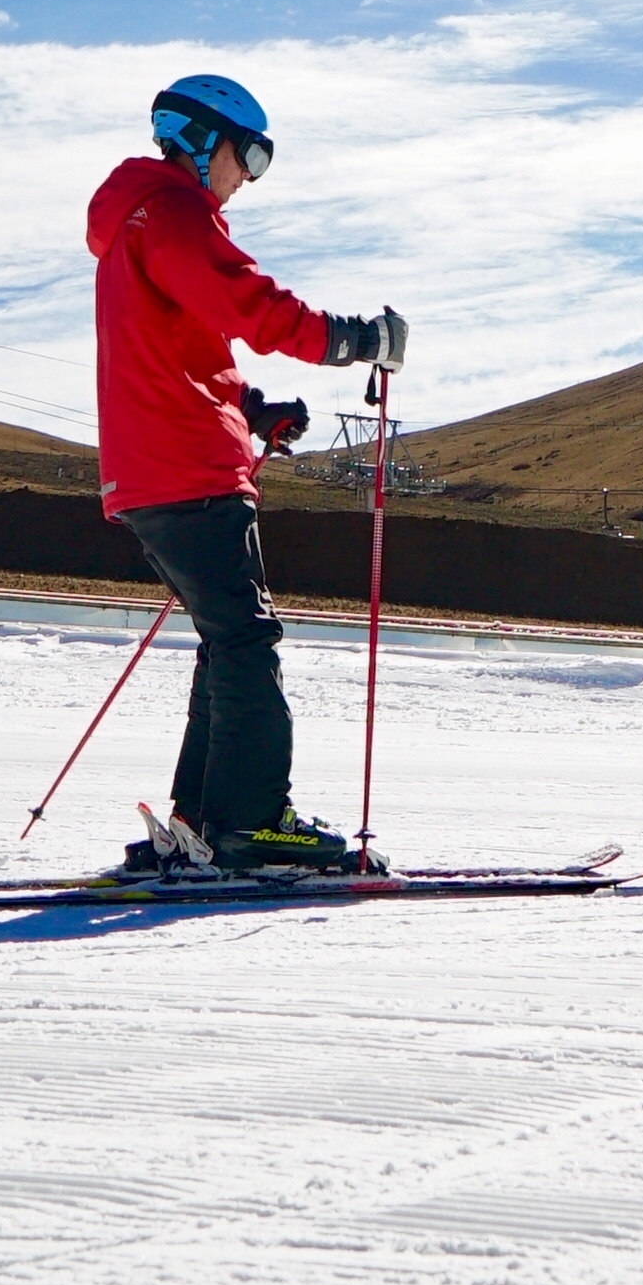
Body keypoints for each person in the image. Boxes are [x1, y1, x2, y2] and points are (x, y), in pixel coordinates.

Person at [87, 73, 406, 874]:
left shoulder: (139, 221)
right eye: (251, 156)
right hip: (187, 465)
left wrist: (253, 410)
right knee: (247, 641)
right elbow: (252, 306)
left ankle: (202, 821)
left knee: (227, 641)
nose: (249, 179)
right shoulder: (174, 212)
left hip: (156, 464)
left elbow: (178, 345)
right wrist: (355, 340)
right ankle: (254, 824)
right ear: (204, 141)